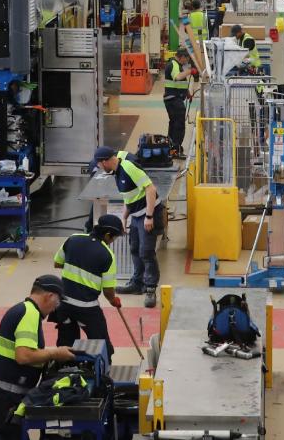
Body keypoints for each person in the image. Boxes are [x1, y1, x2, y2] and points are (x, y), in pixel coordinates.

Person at [0, 275, 77, 440]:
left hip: (2, 394)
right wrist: (55, 353)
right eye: (57, 302)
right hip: (6, 396)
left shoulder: (24, 310)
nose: (56, 308)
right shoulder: (29, 313)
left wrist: (53, 353)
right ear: (49, 295)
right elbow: (24, 356)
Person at [92, 146, 161, 308]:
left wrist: (149, 216)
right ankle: (137, 283)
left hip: (148, 213)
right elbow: (129, 196)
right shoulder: (116, 172)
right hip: (136, 215)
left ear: (106, 161)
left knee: (147, 252)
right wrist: (124, 217)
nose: (99, 168)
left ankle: (150, 288)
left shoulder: (128, 168)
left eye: (99, 165)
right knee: (135, 248)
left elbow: (151, 189)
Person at [52, 214, 125, 358]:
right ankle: (104, 373)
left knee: (66, 343)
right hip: (87, 309)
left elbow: (57, 263)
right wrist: (113, 300)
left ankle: (64, 371)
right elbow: (108, 291)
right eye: (114, 237)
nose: (113, 241)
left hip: (63, 305)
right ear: (107, 234)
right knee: (103, 345)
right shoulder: (107, 255)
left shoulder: (73, 238)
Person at [162, 48, 194, 156]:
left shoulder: (175, 64)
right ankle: (176, 149)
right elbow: (177, 77)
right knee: (179, 125)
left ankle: (171, 147)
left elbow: (180, 83)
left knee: (174, 124)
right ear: (182, 57)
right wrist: (190, 71)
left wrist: (188, 93)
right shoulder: (174, 64)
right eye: (186, 59)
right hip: (174, 99)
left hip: (173, 99)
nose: (186, 62)